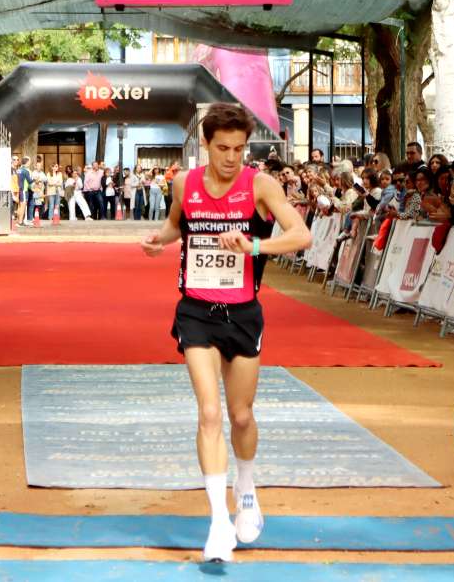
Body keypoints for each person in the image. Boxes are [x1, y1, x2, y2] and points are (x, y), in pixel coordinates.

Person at [140, 103, 311, 563]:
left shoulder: (260, 185)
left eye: (239, 148)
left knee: (240, 416)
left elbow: (302, 236)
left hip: (244, 313)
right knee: (210, 413)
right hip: (196, 311)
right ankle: (218, 521)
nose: (232, 157)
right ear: (205, 145)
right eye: (223, 148)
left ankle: (247, 489)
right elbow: (177, 226)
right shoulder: (184, 184)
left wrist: (256, 244)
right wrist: (159, 240)